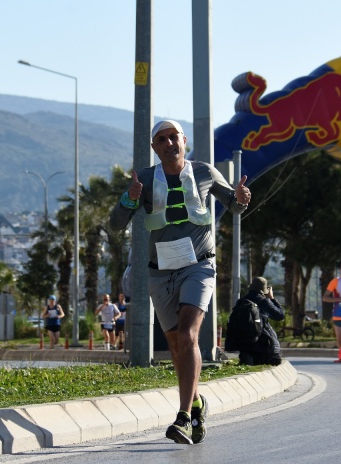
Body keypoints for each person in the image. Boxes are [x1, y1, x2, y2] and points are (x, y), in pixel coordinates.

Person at [109, 119, 251, 445]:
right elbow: (116, 224)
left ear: (184, 140)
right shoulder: (144, 180)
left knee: (188, 335)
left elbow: (235, 205)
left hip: (199, 266)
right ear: (155, 148)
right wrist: (130, 199)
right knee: (176, 345)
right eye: (162, 139)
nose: (169, 143)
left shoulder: (204, 172)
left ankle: (183, 416)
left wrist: (241, 197)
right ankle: (198, 402)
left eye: (174, 137)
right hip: (160, 272)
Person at [226, 277, 285, 366]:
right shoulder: (264, 301)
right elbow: (280, 316)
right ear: (264, 290)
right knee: (276, 360)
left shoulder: (241, 302)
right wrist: (272, 298)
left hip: (245, 347)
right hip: (263, 346)